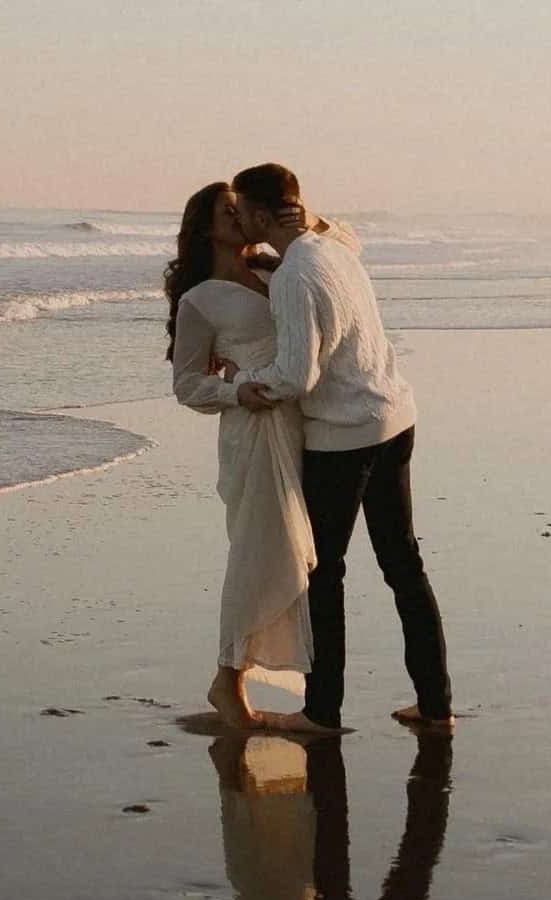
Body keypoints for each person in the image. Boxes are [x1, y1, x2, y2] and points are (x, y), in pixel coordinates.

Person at [227, 163, 454, 736]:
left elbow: (298, 374)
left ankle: (322, 712)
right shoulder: (332, 249)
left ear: (258, 215)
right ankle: (436, 705)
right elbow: (340, 238)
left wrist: (247, 386)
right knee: (403, 564)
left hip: (344, 438)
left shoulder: (293, 279)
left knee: (325, 573)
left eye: (240, 211)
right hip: (394, 417)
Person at [165, 183, 359, 730]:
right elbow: (186, 385)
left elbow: (345, 245)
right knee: (256, 552)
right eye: (229, 212)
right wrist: (236, 390)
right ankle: (228, 678)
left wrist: (302, 216)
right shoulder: (199, 299)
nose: (241, 218)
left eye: (243, 209)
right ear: (208, 228)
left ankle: (268, 672)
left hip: (305, 423)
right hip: (253, 430)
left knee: (299, 554)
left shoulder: (282, 270)